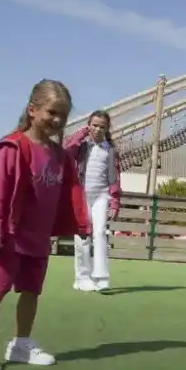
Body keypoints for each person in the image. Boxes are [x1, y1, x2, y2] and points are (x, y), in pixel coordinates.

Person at [0, 79, 91, 370]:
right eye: (52, 112)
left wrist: (80, 223)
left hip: (38, 238)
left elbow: (70, 194)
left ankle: (21, 344)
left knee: (32, 291)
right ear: (32, 110)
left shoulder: (60, 156)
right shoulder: (11, 148)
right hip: (9, 236)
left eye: (63, 115)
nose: (57, 120)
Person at [64, 110, 122, 292]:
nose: (97, 129)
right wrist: (83, 132)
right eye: (94, 125)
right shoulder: (81, 147)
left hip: (101, 196)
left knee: (100, 233)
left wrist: (115, 202)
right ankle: (82, 278)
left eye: (102, 127)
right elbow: (66, 149)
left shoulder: (110, 150)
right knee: (82, 236)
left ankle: (101, 277)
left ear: (107, 129)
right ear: (88, 125)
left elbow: (114, 178)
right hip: (82, 196)